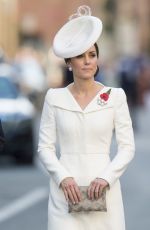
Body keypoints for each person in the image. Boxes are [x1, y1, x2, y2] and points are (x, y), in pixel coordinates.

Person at [38, 5, 135, 230]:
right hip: (64, 195)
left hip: (105, 193)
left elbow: (127, 147)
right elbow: (45, 147)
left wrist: (106, 178)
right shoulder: (54, 98)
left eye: (92, 55)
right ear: (69, 63)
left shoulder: (115, 96)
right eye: (80, 56)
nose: (87, 61)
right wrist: (63, 177)